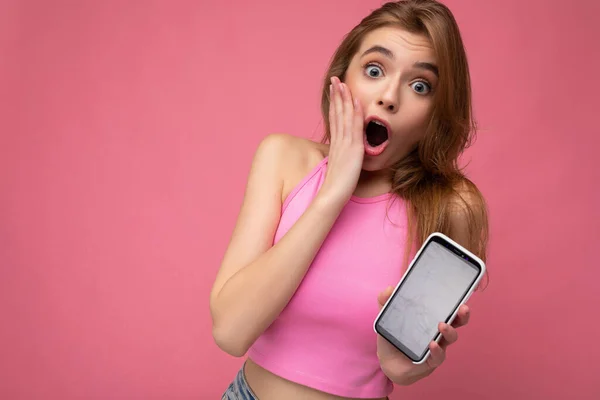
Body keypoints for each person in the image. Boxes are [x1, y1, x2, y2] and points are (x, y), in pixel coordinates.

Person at [210, 0, 489, 399]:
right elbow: (230, 332)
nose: (389, 97)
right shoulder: (285, 159)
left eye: (420, 85)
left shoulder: (452, 206)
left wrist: (404, 369)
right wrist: (333, 194)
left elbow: (403, 367)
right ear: (341, 79)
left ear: (436, 113)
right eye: (374, 70)